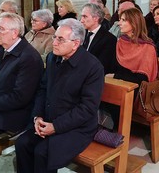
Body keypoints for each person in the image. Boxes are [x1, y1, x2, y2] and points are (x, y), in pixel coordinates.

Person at [15, 18, 104, 173]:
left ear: (76, 43)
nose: (54, 42)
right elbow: (42, 90)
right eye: (55, 37)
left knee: (43, 152)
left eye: (60, 39)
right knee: (22, 143)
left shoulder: (93, 67)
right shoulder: (52, 58)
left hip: (77, 127)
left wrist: (56, 127)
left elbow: (87, 108)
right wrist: (37, 117)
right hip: (49, 118)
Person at [0, 13, 44, 138]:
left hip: (10, 116)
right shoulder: (2, 51)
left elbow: (19, 98)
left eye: (1, 29)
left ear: (14, 33)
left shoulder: (29, 58)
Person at [80, 3, 117, 74]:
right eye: (81, 17)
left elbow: (102, 65)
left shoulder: (109, 39)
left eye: (85, 17)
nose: (81, 20)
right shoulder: (81, 34)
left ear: (96, 18)